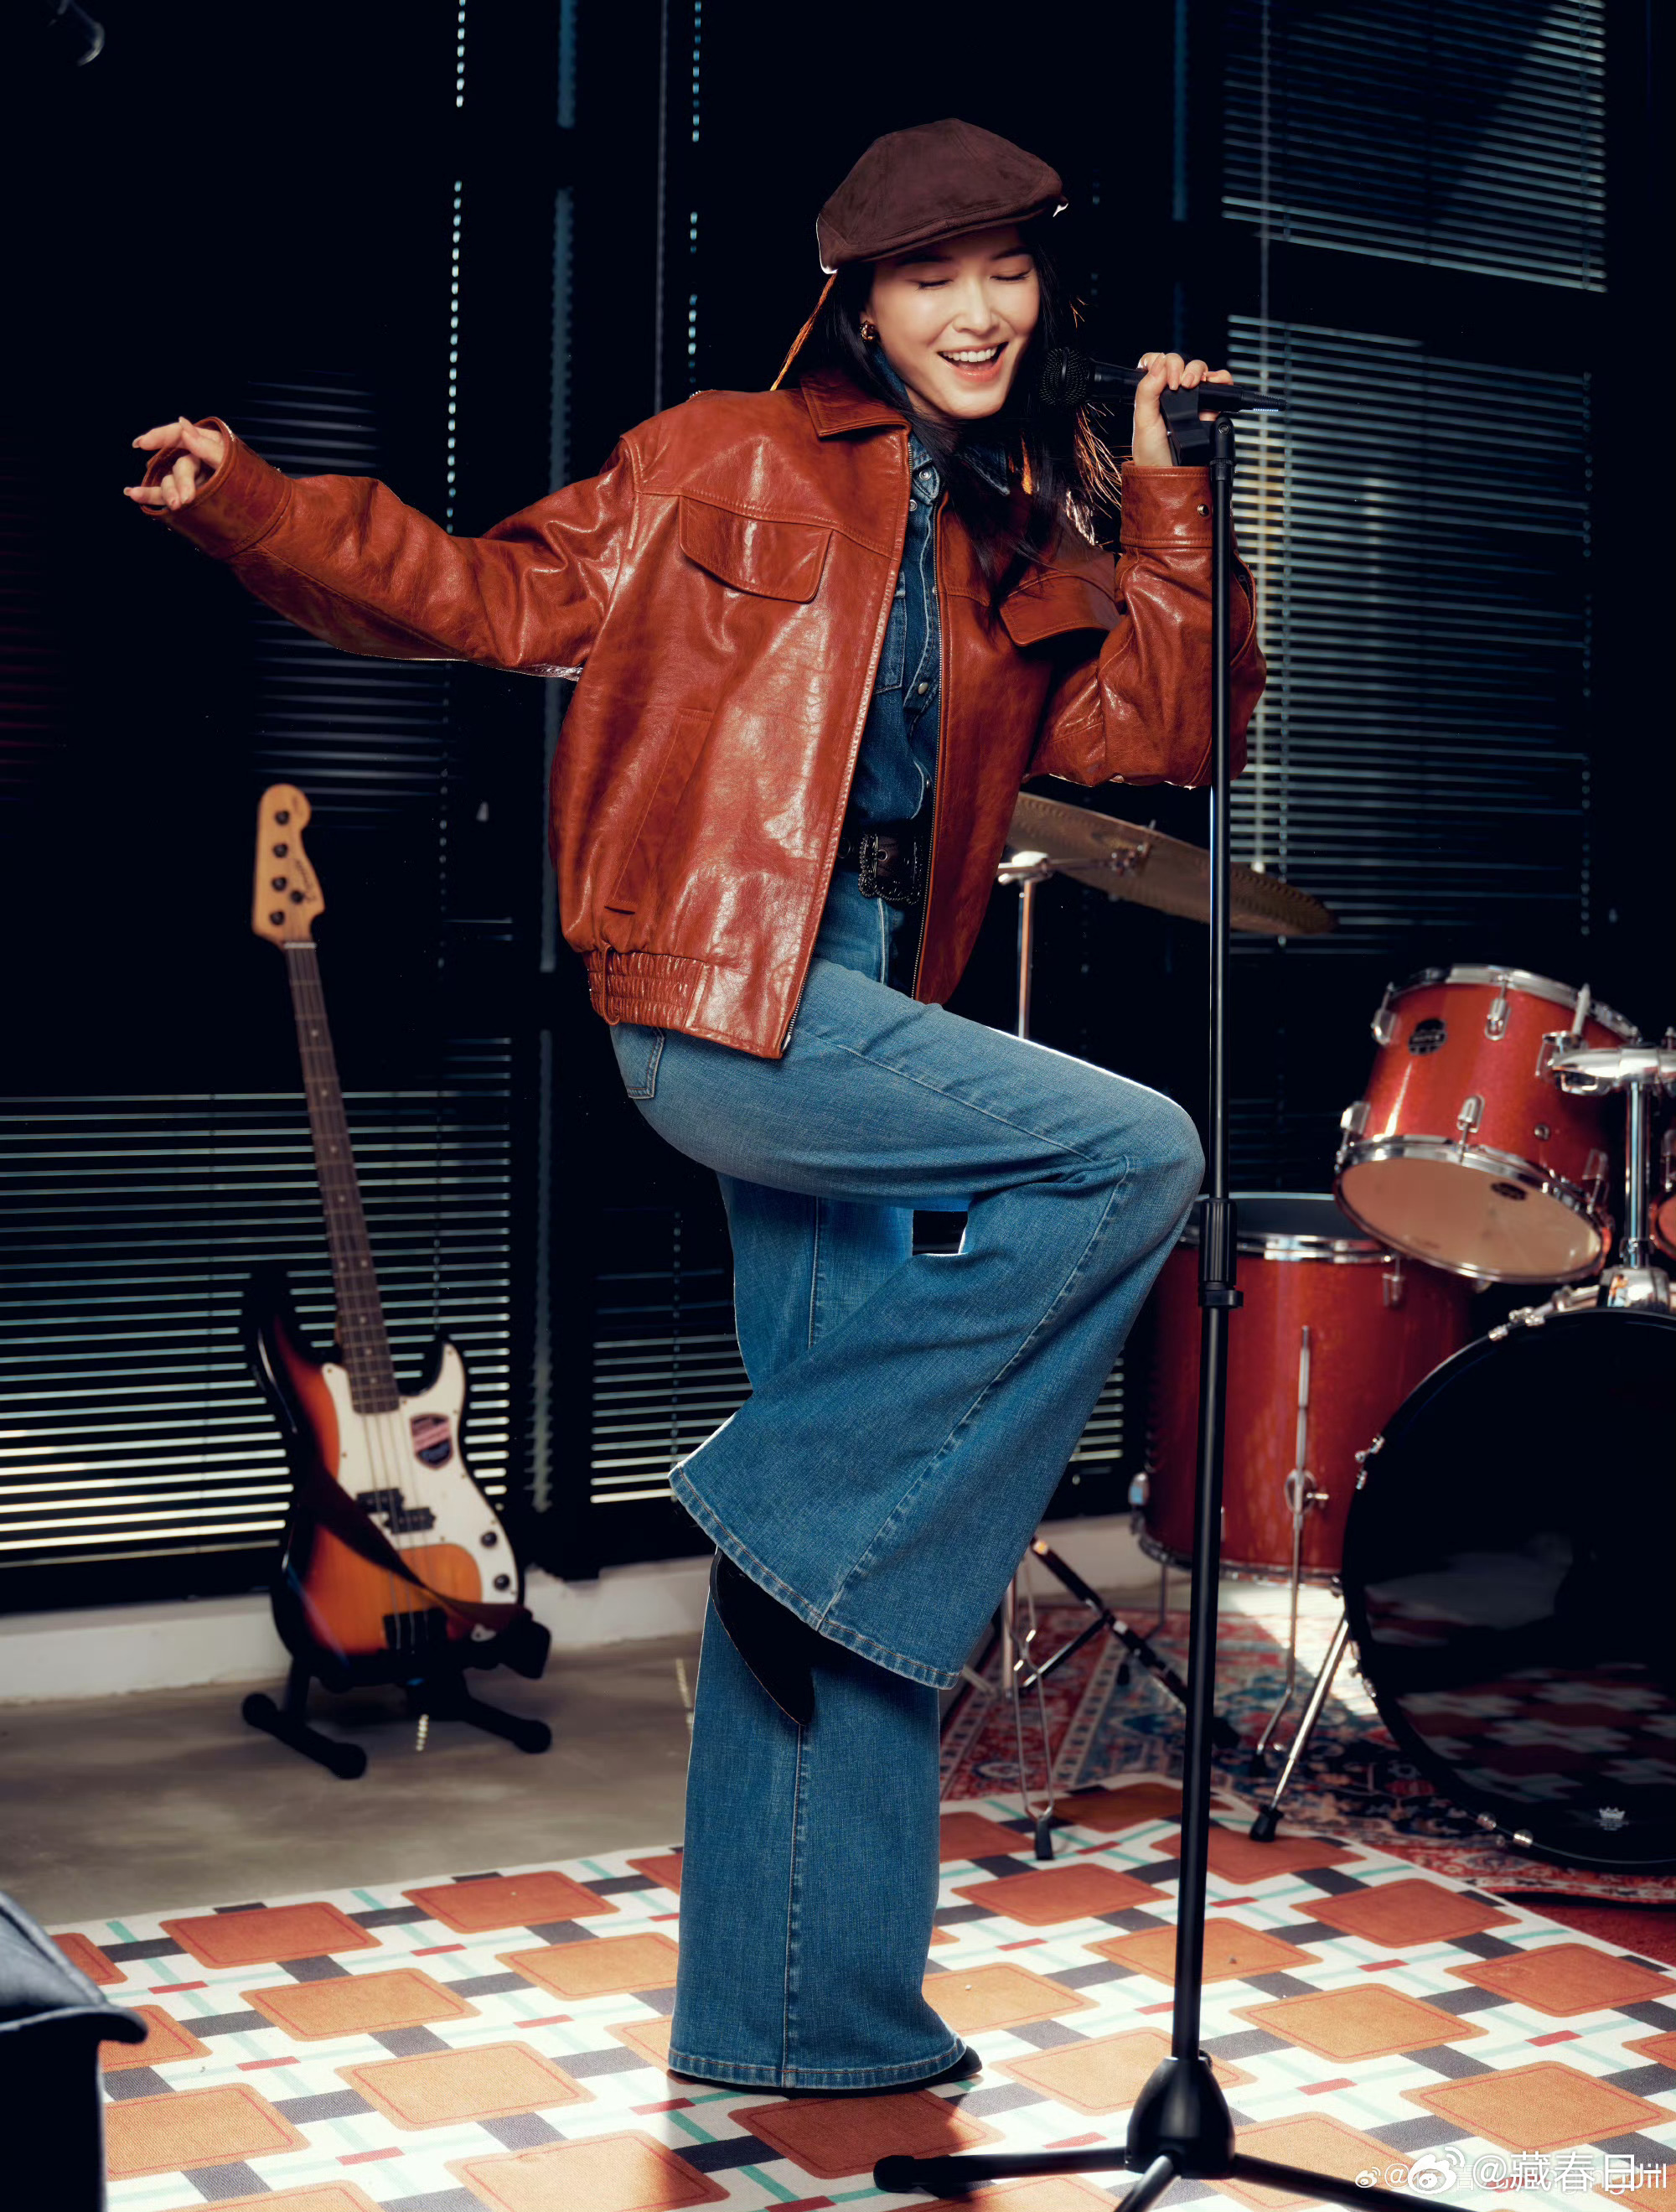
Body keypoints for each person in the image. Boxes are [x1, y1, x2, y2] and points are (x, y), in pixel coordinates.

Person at [127, 117, 1264, 2095]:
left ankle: (801, 2018)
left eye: (1006, 270)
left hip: (868, 1006)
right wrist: (254, 503)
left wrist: (1164, 488)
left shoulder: (1017, 536)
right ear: (858, 302)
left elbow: (1168, 729)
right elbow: (484, 597)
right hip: (726, 991)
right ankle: (788, 1508)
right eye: (931, 275)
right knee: (1129, 1152)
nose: (978, 309)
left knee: (852, 1565)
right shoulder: (718, 456)